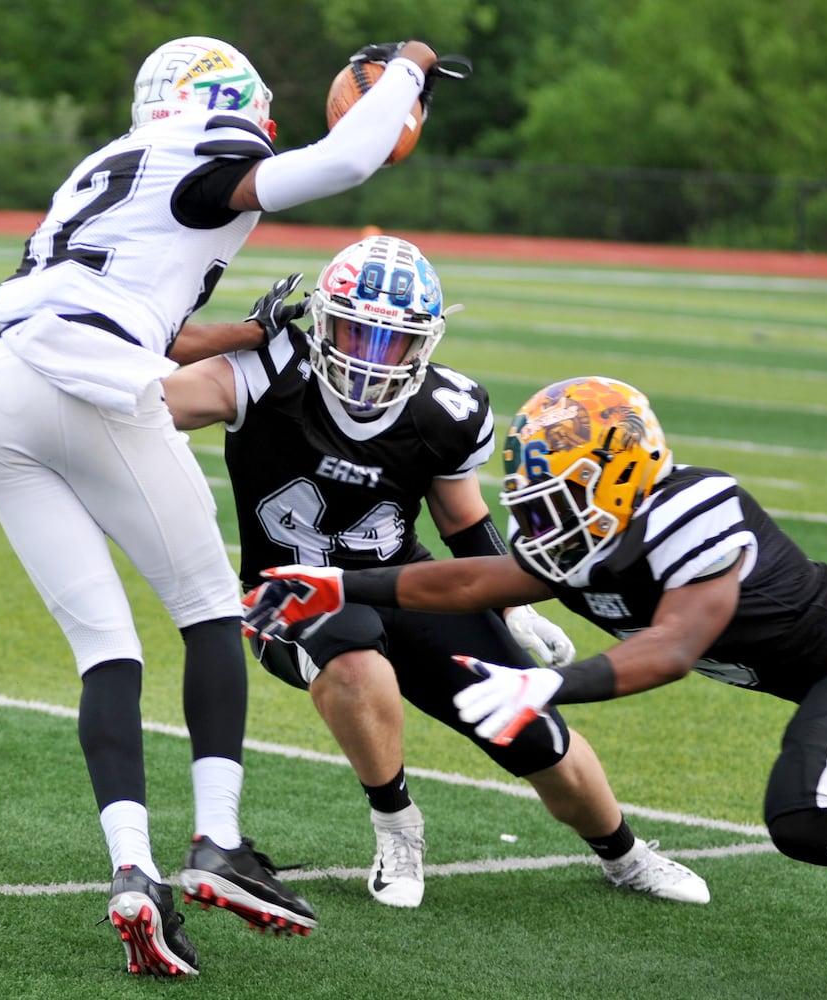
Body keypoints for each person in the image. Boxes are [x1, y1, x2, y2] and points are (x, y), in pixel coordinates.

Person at [245, 374, 827, 1000]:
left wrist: (550, 685)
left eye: (563, 498)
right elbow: (467, 581)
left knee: (807, 810)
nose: (547, 522)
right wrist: (342, 589)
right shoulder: (585, 539)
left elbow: (674, 647)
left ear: (623, 475)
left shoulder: (694, 507)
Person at [0, 35, 446, 978]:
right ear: (225, 99)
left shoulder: (106, 165)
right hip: (92, 381)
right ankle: (216, 842)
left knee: (106, 648)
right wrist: (411, 68)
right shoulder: (208, 143)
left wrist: (253, 330)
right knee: (214, 611)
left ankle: (133, 874)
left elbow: (145, 314)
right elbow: (345, 160)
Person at [162, 237, 710, 911]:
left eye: (389, 341)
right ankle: (397, 826)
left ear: (424, 342)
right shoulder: (267, 370)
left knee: (530, 724)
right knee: (355, 654)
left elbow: (461, 522)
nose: (368, 357)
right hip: (292, 595)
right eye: (356, 333)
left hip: (403, 582)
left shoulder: (447, 408)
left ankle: (625, 855)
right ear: (322, 323)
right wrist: (199, 337)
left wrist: (515, 609)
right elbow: (136, 403)